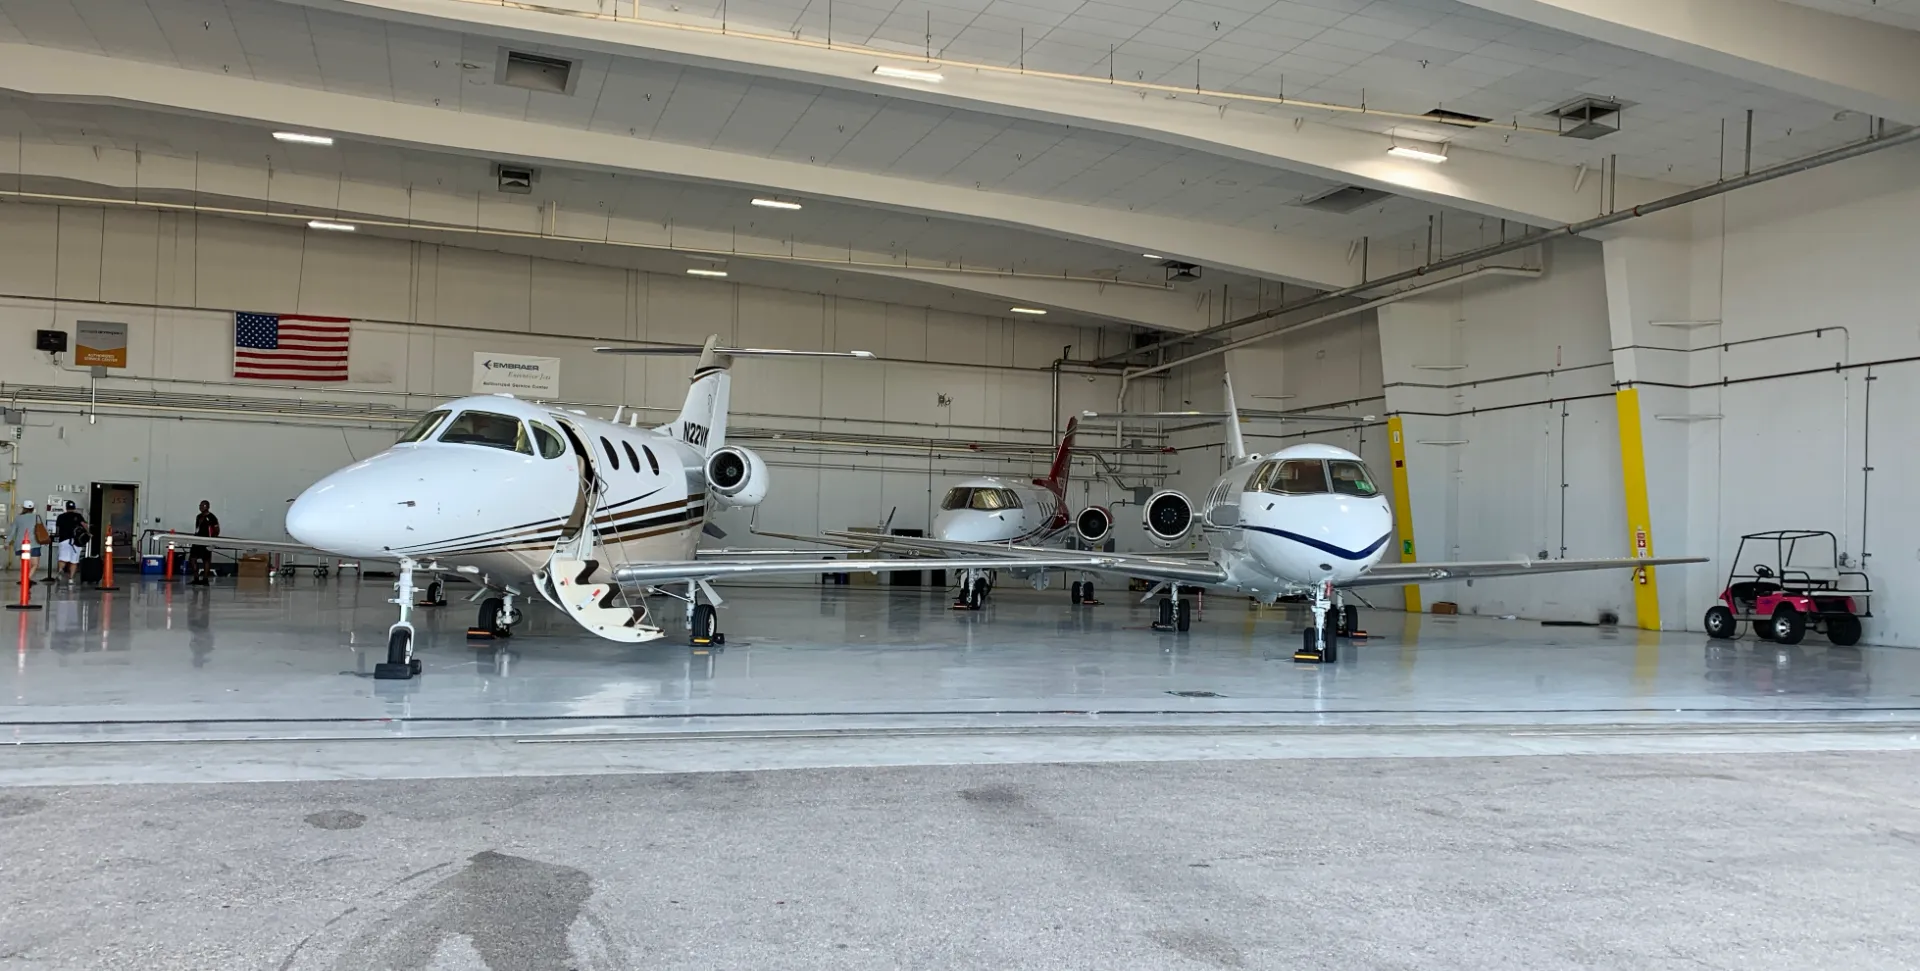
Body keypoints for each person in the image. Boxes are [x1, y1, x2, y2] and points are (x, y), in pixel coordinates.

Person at [54, 501, 86, 584]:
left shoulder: (60, 516)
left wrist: (58, 535)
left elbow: (57, 529)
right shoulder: (78, 516)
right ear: (74, 508)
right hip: (76, 541)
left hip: (64, 540)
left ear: (66, 507)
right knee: (74, 561)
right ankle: (71, 578)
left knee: (62, 559)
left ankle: (60, 571)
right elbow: (84, 525)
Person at [5, 500, 42, 573]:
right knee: (35, 564)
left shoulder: (18, 518)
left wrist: (7, 542)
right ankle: (27, 579)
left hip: (20, 545)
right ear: (33, 508)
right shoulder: (37, 518)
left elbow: (12, 532)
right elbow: (44, 530)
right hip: (34, 544)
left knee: (24, 565)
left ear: (23, 508)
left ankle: (25, 580)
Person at [190, 500, 220, 586]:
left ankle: (205, 579)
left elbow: (216, 530)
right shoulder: (198, 517)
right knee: (192, 559)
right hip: (197, 540)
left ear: (207, 507)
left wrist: (212, 540)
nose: (200, 507)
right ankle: (196, 578)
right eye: (200, 505)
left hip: (207, 541)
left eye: (202, 506)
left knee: (206, 560)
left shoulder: (212, 517)